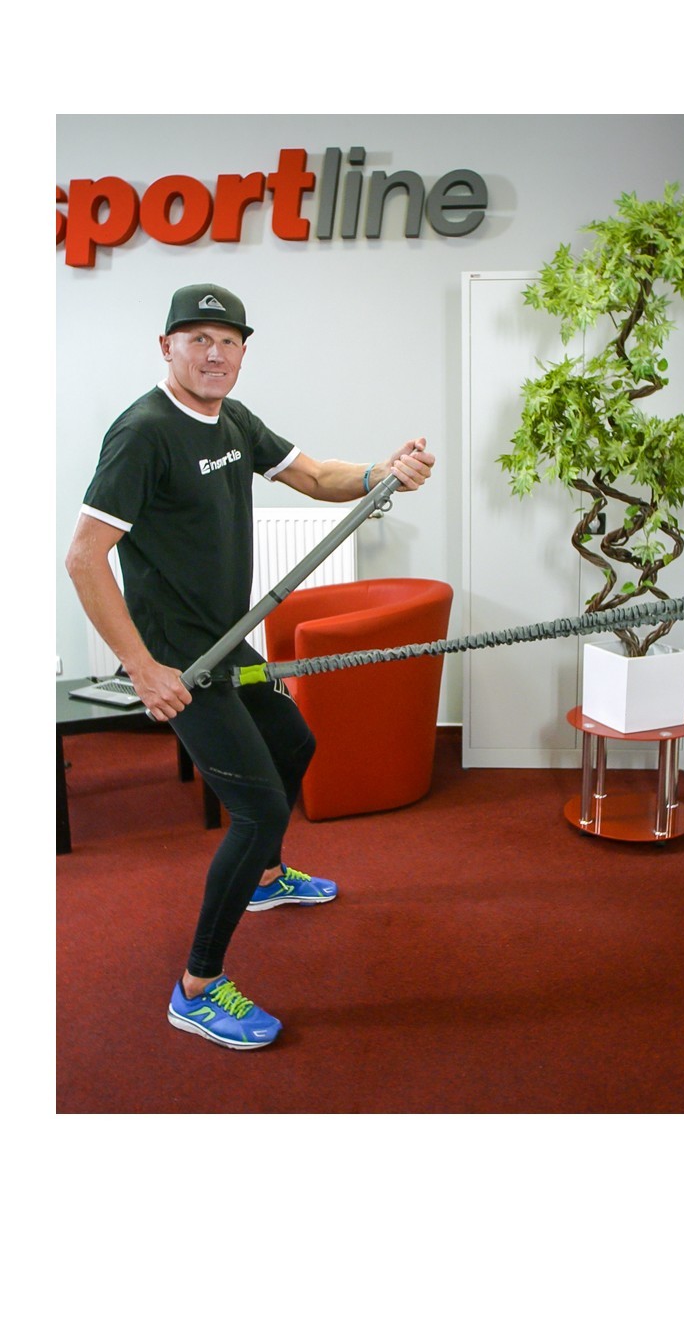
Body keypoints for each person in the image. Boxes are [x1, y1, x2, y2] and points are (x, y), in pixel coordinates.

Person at [65, 282, 435, 1050]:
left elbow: (314, 477)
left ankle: (265, 880)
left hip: (227, 638)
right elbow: (84, 557)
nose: (214, 354)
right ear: (166, 347)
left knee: (294, 741)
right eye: (198, 339)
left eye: (228, 341)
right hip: (182, 657)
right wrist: (142, 668)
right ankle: (197, 987)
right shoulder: (143, 433)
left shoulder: (233, 419)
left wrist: (380, 473)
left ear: (242, 352)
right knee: (260, 808)